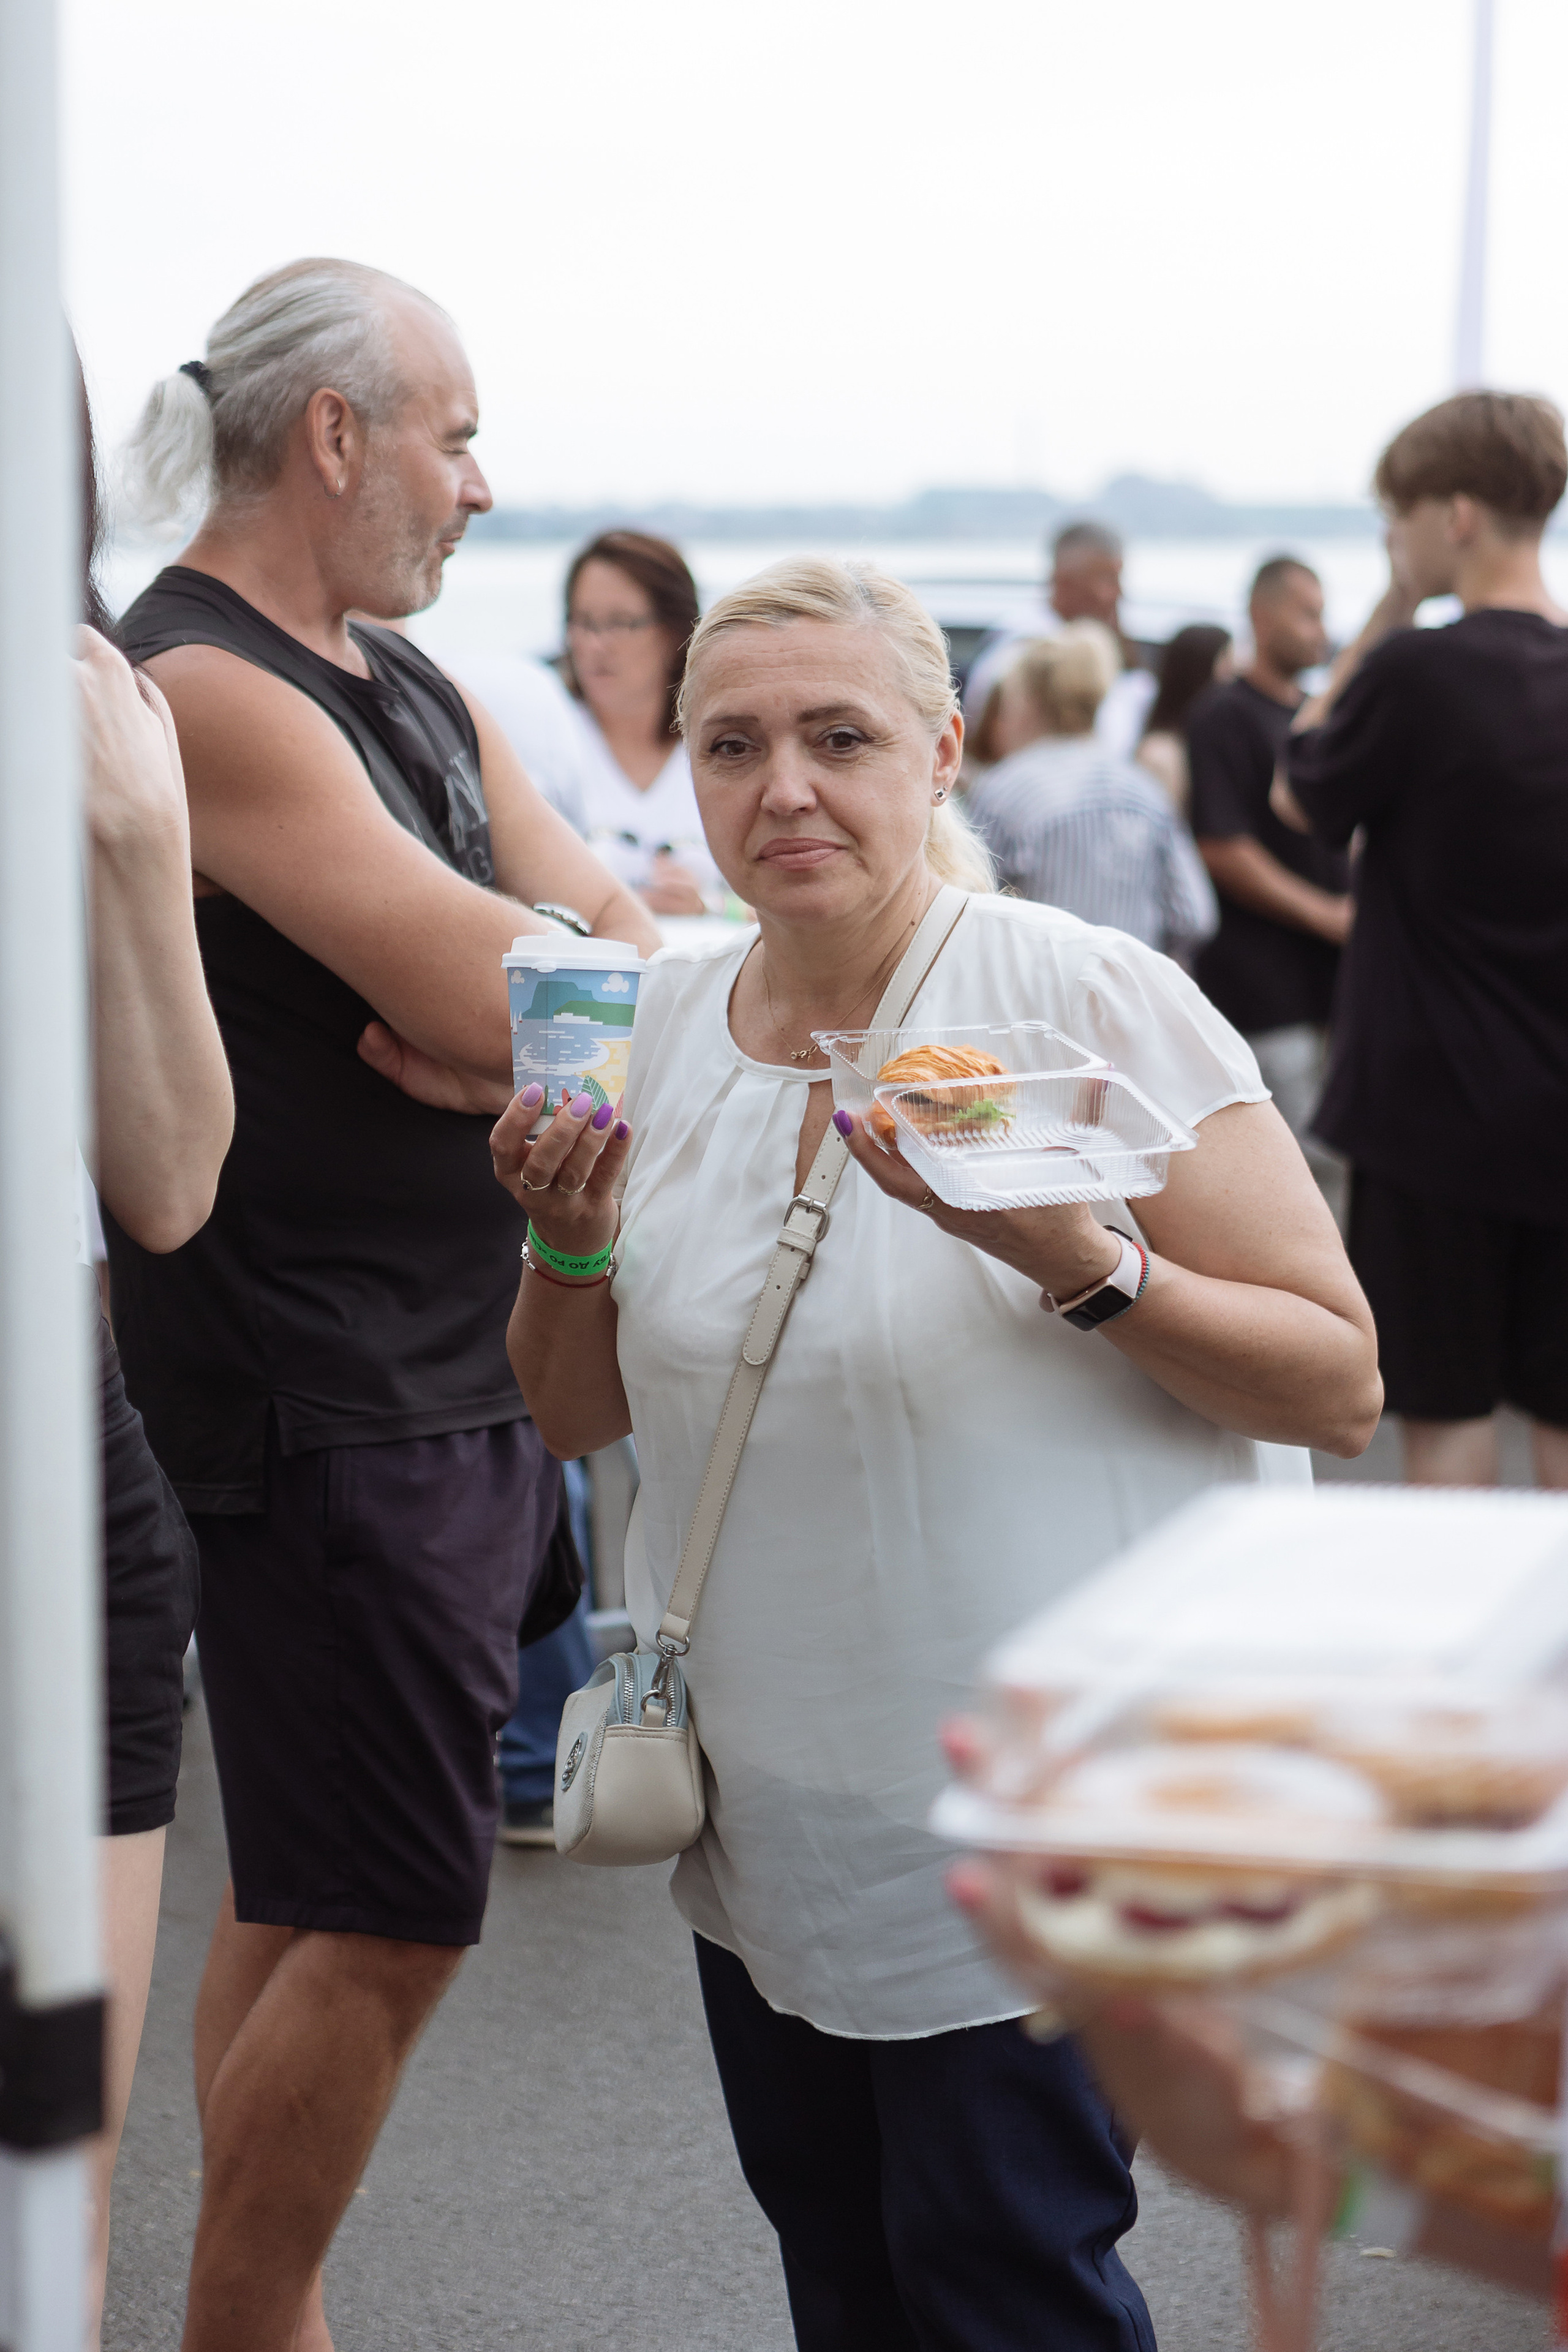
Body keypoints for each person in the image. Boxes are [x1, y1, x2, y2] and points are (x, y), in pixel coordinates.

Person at [491, 558, 1381, 2351]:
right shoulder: (657, 1022)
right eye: (732, 745)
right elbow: (575, 1414)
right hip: (767, 1825)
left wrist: (1084, 1262)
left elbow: (1334, 1376)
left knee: (1003, 2284)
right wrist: (566, 1242)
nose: (785, 787)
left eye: (840, 736)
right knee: (848, 2281)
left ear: (943, 749)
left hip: (1030, 1822)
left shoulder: (1075, 995)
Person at [111, 256, 660, 2352]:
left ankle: (261, 2318)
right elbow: (519, 984)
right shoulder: (208, 686)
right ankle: (245, 2326)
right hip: (318, 1385)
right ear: (335, 435)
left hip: (454, 1369)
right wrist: (514, 1014)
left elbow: (606, 934)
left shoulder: (405, 687)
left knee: (318, 1888)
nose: (486, 488)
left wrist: (530, 1014)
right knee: (401, 1908)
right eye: (456, 434)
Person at [75, 377, 235, 2349]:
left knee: (53, 2166)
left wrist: (131, 838)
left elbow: (174, 1177)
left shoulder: (97, 704)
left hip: (61, 1494)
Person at [1282, 391, 1568, 1493]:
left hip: (1434, 1113)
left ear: (1453, 516)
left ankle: (1463, 1665)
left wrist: (1392, 609)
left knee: (1445, 1424)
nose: (1389, 545)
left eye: (1391, 520)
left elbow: (1299, 785)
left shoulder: (1418, 671)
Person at [1186, 557, 1351, 1180]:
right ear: (1261, 614)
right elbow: (1223, 847)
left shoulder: (1314, 714)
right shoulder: (1223, 714)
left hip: (1330, 985)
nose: (1319, 629)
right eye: (1306, 613)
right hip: (1264, 988)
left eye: (1323, 613)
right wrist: (1328, 916)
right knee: (1304, 1169)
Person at [965, 627, 1217, 959]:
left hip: (1032, 999)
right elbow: (1194, 917)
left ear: (1029, 703)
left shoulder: (1003, 790)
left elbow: (968, 912)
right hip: (1127, 997)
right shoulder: (1143, 791)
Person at [558, 529, 721, 915]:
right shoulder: (551, 737)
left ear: (674, 634)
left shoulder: (720, 743)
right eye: (583, 622)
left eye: (621, 623)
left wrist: (708, 906)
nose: (595, 644)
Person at [964, 520, 1160, 763]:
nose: (1118, 593)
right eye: (1107, 579)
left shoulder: (1112, 644)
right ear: (1064, 580)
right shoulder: (1020, 649)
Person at [1135, 622, 1234, 810]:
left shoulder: (1211, 745)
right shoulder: (1160, 755)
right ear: (1199, 670)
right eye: (1228, 666)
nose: (1235, 679)